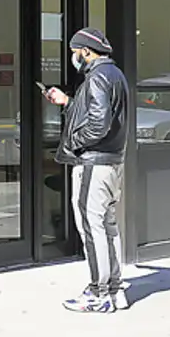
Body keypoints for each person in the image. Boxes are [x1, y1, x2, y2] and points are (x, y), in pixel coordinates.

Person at [44, 27, 129, 313]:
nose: (73, 58)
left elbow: (98, 124)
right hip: (113, 162)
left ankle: (98, 293)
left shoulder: (97, 78)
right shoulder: (115, 75)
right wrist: (67, 102)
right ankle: (115, 289)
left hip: (94, 164)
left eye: (74, 52)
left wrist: (74, 143)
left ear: (85, 51)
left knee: (92, 227)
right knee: (107, 225)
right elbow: (97, 114)